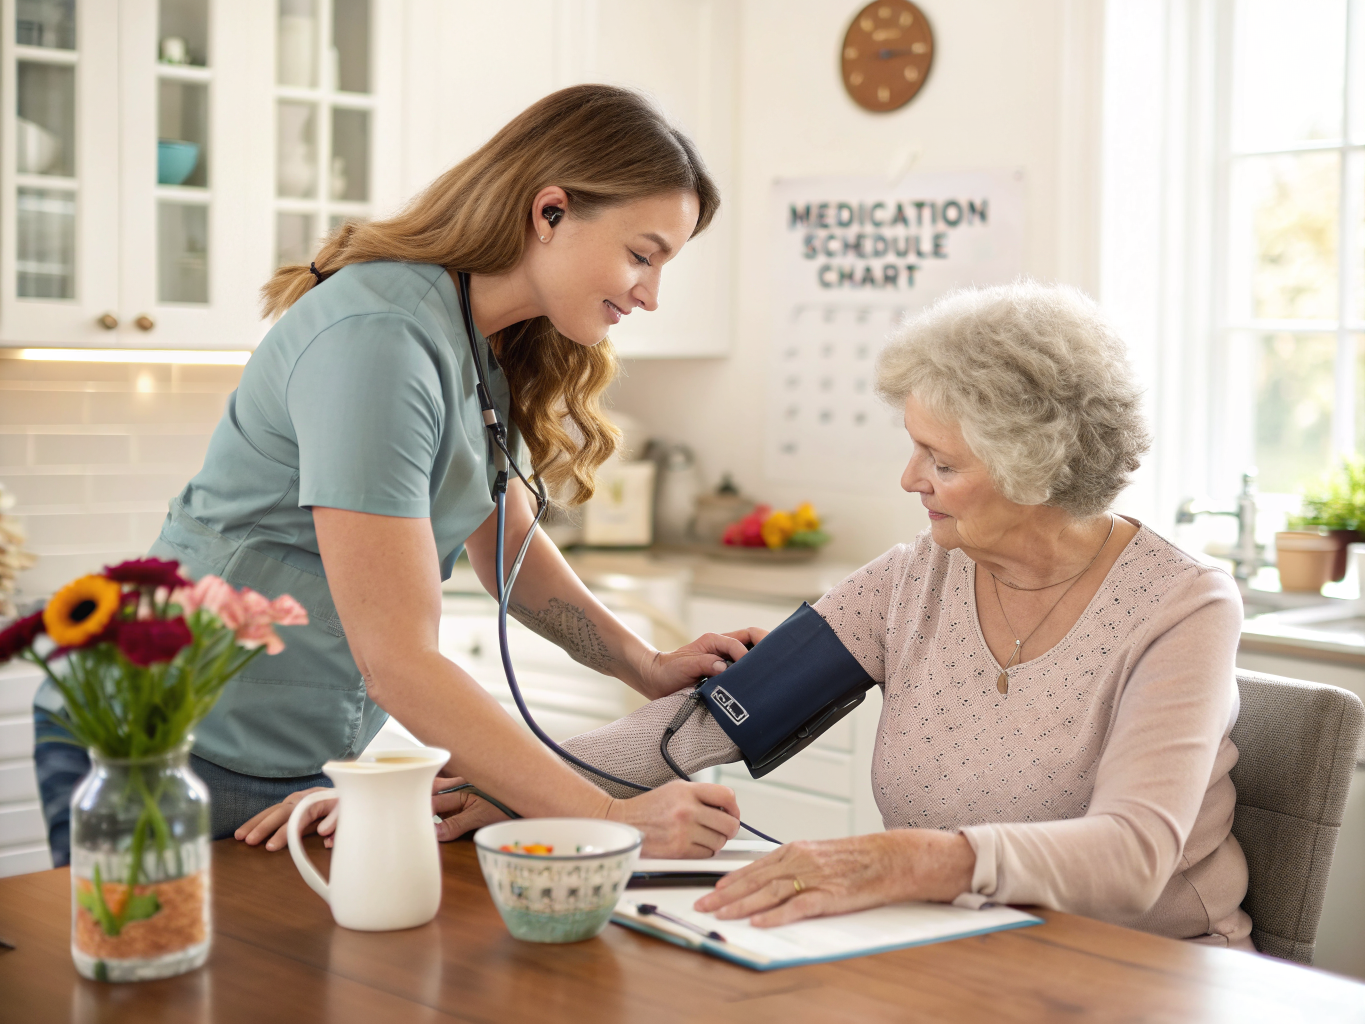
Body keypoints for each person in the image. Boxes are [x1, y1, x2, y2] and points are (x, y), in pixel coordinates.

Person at [32, 84, 757, 864]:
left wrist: (644, 666)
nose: (649, 294)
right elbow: (399, 664)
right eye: (641, 255)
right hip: (162, 750)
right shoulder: (379, 339)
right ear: (548, 213)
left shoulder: (475, 341)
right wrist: (609, 817)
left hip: (288, 762)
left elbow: (505, 550)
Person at [424, 281, 1253, 948]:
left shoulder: (1180, 607)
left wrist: (909, 860)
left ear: (1033, 469)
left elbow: (1133, 855)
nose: (908, 480)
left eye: (940, 460)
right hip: (958, 952)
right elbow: (707, 721)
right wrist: (523, 787)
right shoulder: (912, 580)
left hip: (1143, 970)